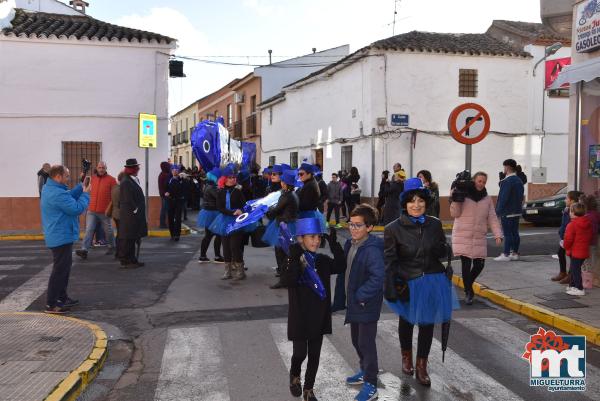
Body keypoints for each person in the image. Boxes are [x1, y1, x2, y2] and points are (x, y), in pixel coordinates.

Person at [384, 178, 459, 386]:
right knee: (407, 322)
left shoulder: (434, 224)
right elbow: (389, 260)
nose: (416, 205)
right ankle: (406, 357)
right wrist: (390, 286)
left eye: (420, 201)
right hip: (407, 281)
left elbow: (443, 251)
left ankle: (421, 365)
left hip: (433, 280)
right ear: (405, 204)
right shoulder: (393, 228)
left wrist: (442, 250)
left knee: (427, 325)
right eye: (411, 201)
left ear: (426, 202)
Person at [281, 218, 345, 401]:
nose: (316, 241)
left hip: (319, 315)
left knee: (315, 355)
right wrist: (293, 258)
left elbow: (340, 266)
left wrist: (334, 244)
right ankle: (294, 375)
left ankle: (309, 389)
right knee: (300, 353)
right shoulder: (294, 260)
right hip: (300, 316)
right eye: (311, 237)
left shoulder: (323, 261)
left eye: (318, 237)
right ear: (301, 238)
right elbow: (288, 281)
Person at [341, 204, 384, 401]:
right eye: (351, 224)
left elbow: (377, 278)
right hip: (355, 302)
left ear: (369, 227)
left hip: (366, 303)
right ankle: (364, 368)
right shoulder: (350, 244)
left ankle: (371, 383)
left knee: (366, 343)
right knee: (355, 340)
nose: (353, 228)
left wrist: (360, 295)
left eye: (358, 225)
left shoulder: (372, 249)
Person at [41, 165, 90, 314]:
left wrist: (81, 186)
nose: (68, 178)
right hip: (60, 236)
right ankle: (51, 304)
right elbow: (75, 208)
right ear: (58, 177)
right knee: (60, 271)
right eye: (67, 176)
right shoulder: (57, 193)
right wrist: (86, 194)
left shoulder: (53, 188)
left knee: (64, 270)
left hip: (60, 235)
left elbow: (68, 196)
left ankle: (62, 298)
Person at [450, 172, 502, 305]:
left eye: (484, 182)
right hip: (463, 234)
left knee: (479, 264)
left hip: (479, 235)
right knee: (466, 264)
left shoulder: (487, 199)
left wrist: (498, 234)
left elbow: (492, 217)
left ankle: (468, 284)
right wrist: (455, 198)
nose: (481, 184)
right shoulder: (464, 194)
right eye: (479, 181)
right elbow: (454, 213)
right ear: (474, 181)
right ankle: (469, 292)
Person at [209, 166, 247, 280]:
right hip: (225, 220)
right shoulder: (220, 191)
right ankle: (227, 271)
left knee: (235, 246)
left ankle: (240, 270)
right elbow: (219, 207)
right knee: (225, 247)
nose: (232, 179)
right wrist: (231, 212)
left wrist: (241, 210)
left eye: (234, 177)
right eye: (230, 177)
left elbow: (244, 205)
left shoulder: (238, 191)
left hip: (236, 222)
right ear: (224, 179)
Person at [263, 169, 299, 289]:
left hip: (284, 225)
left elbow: (276, 210)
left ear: (285, 183)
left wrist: (265, 211)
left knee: (281, 254)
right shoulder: (293, 194)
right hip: (290, 224)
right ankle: (287, 278)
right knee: (288, 253)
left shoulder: (286, 195)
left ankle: (284, 280)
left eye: (282, 181)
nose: (281, 183)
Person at [76, 161, 117, 259]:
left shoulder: (112, 180)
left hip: (105, 211)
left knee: (109, 231)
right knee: (89, 230)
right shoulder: (92, 179)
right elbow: (82, 184)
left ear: (106, 168)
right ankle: (84, 250)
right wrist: (83, 174)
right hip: (92, 211)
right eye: (99, 167)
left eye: (103, 167)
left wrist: (111, 208)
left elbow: (115, 195)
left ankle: (112, 247)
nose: (101, 169)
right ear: (97, 168)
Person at [118, 159, 148, 268]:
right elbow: (127, 199)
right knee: (128, 238)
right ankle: (126, 261)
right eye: (136, 168)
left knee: (133, 237)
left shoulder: (132, 179)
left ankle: (132, 259)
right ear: (132, 169)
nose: (138, 170)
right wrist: (135, 209)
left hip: (134, 214)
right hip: (129, 215)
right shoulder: (126, 181)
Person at [494, 159, 525, 261]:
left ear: (507, 167)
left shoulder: (507, 181)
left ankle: (506, 254)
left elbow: (503, 198)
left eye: (504, 167)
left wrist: (497, 212)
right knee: (515, 233)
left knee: (507, 233)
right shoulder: (519, 180)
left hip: (507, 211)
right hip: (517, 211)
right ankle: (515, 253)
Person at [551, 191, 582, 283]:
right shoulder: (567, 209)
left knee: (572, 257)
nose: (565, 200)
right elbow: (564, 224)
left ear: (572, 200)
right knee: (560, 253)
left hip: (570, 238)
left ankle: (570, 275)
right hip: (564, 237)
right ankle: (563, 272)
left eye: (566, 198)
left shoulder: (574, 211)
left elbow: (571, 225)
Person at [564, 202, 593, 296]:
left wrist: (565, 246)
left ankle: (579, 288)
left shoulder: (572, 225)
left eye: (570, 211)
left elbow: (568, 240)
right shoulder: (587, 223)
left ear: (572, 213)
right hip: (583, 250)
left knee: (575, 270)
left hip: (575, 251)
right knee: (574, 269)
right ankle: (572, 286)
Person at [197, 167, 224, 263]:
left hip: (209, 212)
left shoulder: (208, 185)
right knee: (217, 235)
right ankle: (216, 256)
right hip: (213, 212)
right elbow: (219, 197)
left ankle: (203, 256)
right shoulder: (212, 187)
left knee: (209, 235)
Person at [297, 163, 327, 233]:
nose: (299, 176)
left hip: (307, 216)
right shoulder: (309, 183)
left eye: (301, 174)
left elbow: (305, 205)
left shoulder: (309, 185)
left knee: (307, 237)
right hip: (309, 214)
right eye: (298, 174)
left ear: (309, 174)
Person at [106, 172, 124, 259]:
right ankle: (119, 253)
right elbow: (122, 203)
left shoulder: (114, 187)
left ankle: (118, 252)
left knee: (119, 234)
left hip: (115, 213)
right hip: (121, 214)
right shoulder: (121, 189)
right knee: (121, 234)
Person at [165, 165, 184, 241]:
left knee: (178, 218)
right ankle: (172, 234)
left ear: (178, 171)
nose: (175, 171)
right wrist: (166, 193)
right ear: (171, 171)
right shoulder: (169, 180)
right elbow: (165, 189)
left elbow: (185, 189)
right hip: (170, 201)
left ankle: (177, 235)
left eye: (176, 170)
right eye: (173, 170)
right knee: (170, 218)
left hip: (179, 201)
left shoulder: (181, 180)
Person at [158, 161, 171, 228]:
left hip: (163, 194)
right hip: (166, 195)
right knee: (165, 209)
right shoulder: (165, 175)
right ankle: (162, 224)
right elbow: (167, 185)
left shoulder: (161, 174)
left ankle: (162, 223)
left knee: (164, 209)